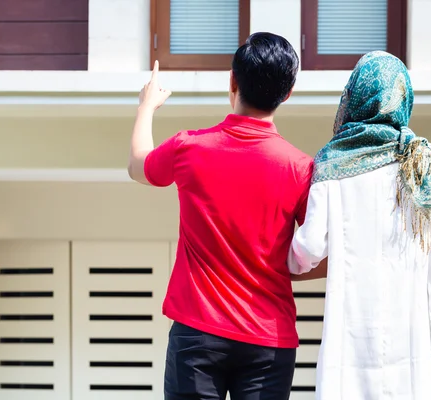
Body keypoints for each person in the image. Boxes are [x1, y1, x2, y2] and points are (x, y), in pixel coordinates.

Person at [128, 32, 313, 399]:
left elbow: (138, 167)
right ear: (288, 92)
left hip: (198, 335)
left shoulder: (189, 147)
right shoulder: (302, 169)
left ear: (232, 80)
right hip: (268, 340)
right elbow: (318, 258)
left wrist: (146, 107)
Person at [288, 51, 431, 399]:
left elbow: (307, 249)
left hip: (350, 347)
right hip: (414, 344)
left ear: (353, 96)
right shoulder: (426, 163)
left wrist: (288, 262)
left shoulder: (331, 163)